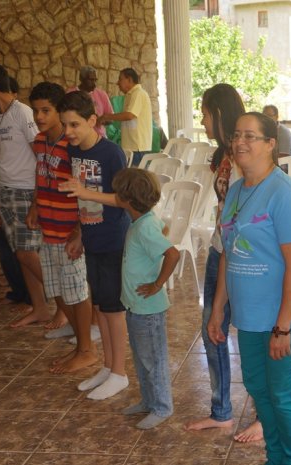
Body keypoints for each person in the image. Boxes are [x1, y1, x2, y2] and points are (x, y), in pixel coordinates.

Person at [210, 111, 291, 465]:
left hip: (282, 318)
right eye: (236, 135)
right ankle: (276, 457)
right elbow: (229, 251)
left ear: (271, 144)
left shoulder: (286, 194)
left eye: (250, 136)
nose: (239, 142)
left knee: (284, 395)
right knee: (258, 388)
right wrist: (217, 308)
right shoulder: (236, 190)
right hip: (249, 316)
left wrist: (283, 326)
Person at [184, 83, 264, 443]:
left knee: (252, 335)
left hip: (243, 255)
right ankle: (221, 412)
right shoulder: (223, 156)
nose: (202, 121)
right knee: (212, 329)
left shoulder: (245, 157)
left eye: (205, 113)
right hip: (221, 249)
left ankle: (265, 415)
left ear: (218, 113)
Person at [58, 90, 131, 400]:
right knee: (100, 306)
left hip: (113, 239)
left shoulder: (111, 153)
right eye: (65, 125)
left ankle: (120, 373)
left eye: (74, 124)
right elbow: (82, 201)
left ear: (92, 120)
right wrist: (78, 233)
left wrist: (85, 193)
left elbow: (124, 199)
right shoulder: (73, 151)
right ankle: (107, 366)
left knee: (114, 310)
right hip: (92, 237)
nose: (68, 131)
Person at [26, 82, 97, 373]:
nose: (39, 116)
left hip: (69, 230)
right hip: (48, 227)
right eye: (35, 110)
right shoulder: (40, 141)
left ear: (60, 111)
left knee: (77, 292)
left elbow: (88, 191)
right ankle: (80, 340)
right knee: (56, 287)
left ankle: (87, 350)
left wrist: (79, 230)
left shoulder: (74, 147)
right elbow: (40, 174)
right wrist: (35, 205)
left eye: (46, 110)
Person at [0, 64, 51, 328]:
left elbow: (41, 156)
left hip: (25, 191)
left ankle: (70, 300)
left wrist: (36, 201)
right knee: (21, 253)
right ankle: (40, 308)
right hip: (6, 192)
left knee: (27, 254)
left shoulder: (23, 112)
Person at [112, 168, 180, 430]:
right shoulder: (143, 221)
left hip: (148, 309)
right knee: (142, 358)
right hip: (136, 305)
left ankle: (162, 407)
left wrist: (157, 284)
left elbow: (172, 254)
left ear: (127, 199)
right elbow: (163, 228)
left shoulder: (144, 227)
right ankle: (149, 401)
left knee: (154, 360)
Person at [98, 68, 152, 168]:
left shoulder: (138, 93)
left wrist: (106, 116)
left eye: (120, 79)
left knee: (136, 176)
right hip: (130, 146)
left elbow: (129, 115)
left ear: (129, 80)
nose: (117, 83)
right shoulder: (129, 95)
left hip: (137, 147)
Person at [68, 65, 113, 138]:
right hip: (76, 136)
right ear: (81, 79)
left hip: (98, 137)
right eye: (91, 80)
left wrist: (101, 120)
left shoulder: (102, 94)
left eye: (95, 80)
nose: (94, 84)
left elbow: (111, 118)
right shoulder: (70, 94)